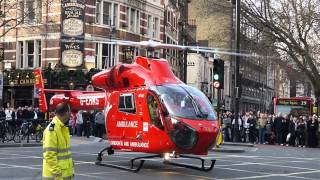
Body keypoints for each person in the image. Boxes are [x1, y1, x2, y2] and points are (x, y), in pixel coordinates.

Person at [42, 103, 74, 180]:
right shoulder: (53, 130)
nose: (71, 114)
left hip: (63, 175)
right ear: (66, 113)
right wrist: (58, 176)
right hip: (56, 177)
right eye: (70, 112)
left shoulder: (61, 128)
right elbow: (49, 156)